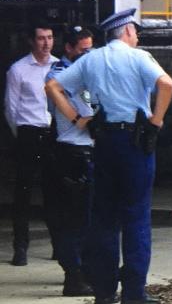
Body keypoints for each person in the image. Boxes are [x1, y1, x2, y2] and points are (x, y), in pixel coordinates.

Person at [45, 8, 172, 304]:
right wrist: (156, 121)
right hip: (136, 142)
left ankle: (104, 292)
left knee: (103, 219)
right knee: (137, 218)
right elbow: (166, 84)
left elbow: (53, 86)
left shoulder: (92, 58)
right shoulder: (139, 57)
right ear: (127, 31)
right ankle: (134, 293)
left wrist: (78, 120)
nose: (137, 36)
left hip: (103, 141)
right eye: (135, 31)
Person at [45, 25, 95, 296]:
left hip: (85, 149)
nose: (88, 55)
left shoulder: (82, 72)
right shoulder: (63, 74)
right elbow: (86, 114)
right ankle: (74, 275)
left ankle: (82, 271)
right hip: (73, 150)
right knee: (76, 218)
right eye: (83, 50)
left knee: (85, 217)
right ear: (69, 49)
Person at [4, 21, 58, 267]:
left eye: (49, 37)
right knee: (23, 193)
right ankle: (21, 247)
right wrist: (22, 134)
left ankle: (59, 245)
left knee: (55, 192)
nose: (46, 43)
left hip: (51, 134)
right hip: (28, 132)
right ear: (31, 41)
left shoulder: (58, 66)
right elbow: (11, 108)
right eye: (41, 38)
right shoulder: (19, 69)